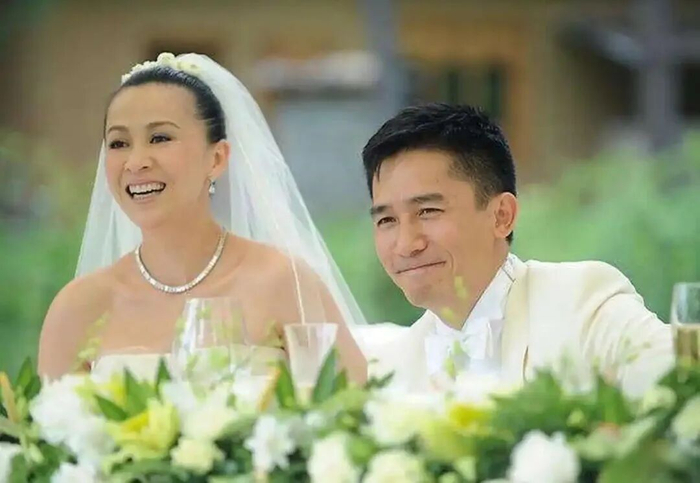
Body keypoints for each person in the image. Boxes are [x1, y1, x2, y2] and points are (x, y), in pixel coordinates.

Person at [38, 53, 367, 383]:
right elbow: (51, 415)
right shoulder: (78, 307)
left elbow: (348, 404)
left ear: (217, 158)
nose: (135, 162)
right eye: (119, 142)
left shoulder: (283, 282)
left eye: (160, 138)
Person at [362, 103, 673, 396]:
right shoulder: (392, 369)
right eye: (386, 220)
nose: (406, 244)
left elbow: (683, 389)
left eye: (428, 211)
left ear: (502, 216)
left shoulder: (584, 303)